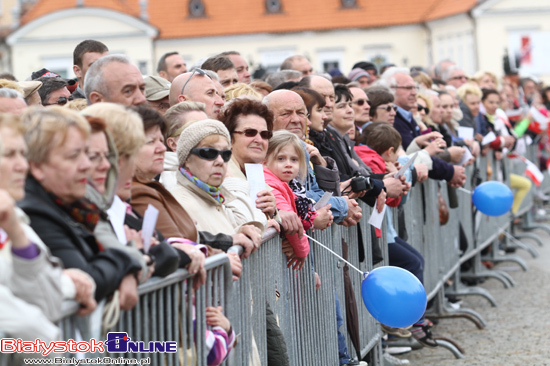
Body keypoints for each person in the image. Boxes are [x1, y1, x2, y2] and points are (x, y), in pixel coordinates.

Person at [19, 106, 142, 309]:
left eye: (87, 153)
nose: (86, 165)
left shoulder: (74, 206)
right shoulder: (34, 213)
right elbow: (89, 279)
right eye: (74, 156)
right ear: (37, 166)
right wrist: (126, 260)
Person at [0, 114, 96, 343]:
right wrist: (67, 284)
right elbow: (30, 326)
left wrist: (16, 231)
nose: (22, 166)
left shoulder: (16, 218)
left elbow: (46, 303)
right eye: (9, 154)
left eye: (23, 154)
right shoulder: (34, 210)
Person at [362, 122, 436, 348]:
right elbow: (395, 198)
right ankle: (403, 324)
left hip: (385, 233)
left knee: (416, 261)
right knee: (412, 262)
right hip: (375, 234)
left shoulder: (374, 156)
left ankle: (405, 323)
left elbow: (397, 198)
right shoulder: (367, 157)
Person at [169, 118, 263, 255]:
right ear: (186, 159)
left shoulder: (214, 196)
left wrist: (239, 233)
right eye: (209, 153)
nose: (220, 161)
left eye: (226, 154)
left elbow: (214, 237)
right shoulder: (179, 203)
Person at [264, 131, 325, 270]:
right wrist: (303, 251)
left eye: (294, 159)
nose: (288, 164)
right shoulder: (270, 183)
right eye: (280, 159)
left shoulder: (291, 185)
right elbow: (292, 223)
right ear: (265, 161)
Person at [162, 102, 209, 190]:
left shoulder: (211, 171)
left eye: (210, 129)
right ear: (173, 144)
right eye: (196, 130)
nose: (208, 136)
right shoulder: (171, 184)